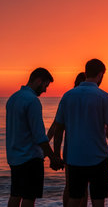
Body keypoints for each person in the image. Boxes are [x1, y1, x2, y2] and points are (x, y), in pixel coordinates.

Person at [53, 59, 108, 207]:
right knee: (98, 200)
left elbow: (58, 128)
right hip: (98, 157)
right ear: (100, 75)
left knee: (74, 198)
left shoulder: (68, 96)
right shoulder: (104, 97)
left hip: (74, 157)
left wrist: (56, 154)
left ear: (85, 72)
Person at [6, 67, 63, 207]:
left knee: (15, 194)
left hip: (14, 157)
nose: (45, 90)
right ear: (39, 81)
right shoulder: (32, 101)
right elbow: (39, 135)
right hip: (30, 157)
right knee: (29, 197)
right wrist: (53, 157)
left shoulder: (13, 98)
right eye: (45, 85)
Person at [47, 72, 86, 207]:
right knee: (79, 188)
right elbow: (56, 127)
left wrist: (53, 153)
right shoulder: (90, 99)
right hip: (85, 151)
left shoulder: (68, 97)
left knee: (71, 186)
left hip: (71, 152)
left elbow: (56, 127)